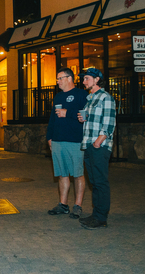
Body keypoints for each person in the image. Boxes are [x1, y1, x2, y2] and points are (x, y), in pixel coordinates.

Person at [45, 67, 88, 219]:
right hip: (57, 140)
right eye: (57, 79)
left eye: (60, 78)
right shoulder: (57, 97)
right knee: (62, 173)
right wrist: (49, 137)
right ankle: (63, 204)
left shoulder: (82, 95)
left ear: (69, 78)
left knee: (77, 173)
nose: (57, 82)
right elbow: (52, 118)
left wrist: (67, 113)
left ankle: (78, 205)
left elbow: (85, 115)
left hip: (75, 140)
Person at [77, 67, 116, 230]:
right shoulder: (90, 98)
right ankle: (96, 214)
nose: (84, 81)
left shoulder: (105, 97)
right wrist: (82, 118)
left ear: (97, 80)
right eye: (83, 79)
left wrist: (98, 142)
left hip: (98, 145)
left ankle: (101, 218)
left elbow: (108, 123)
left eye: (87, 78)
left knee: (100, 182)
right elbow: (91, 120)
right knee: (94, 182)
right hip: (89, 144)